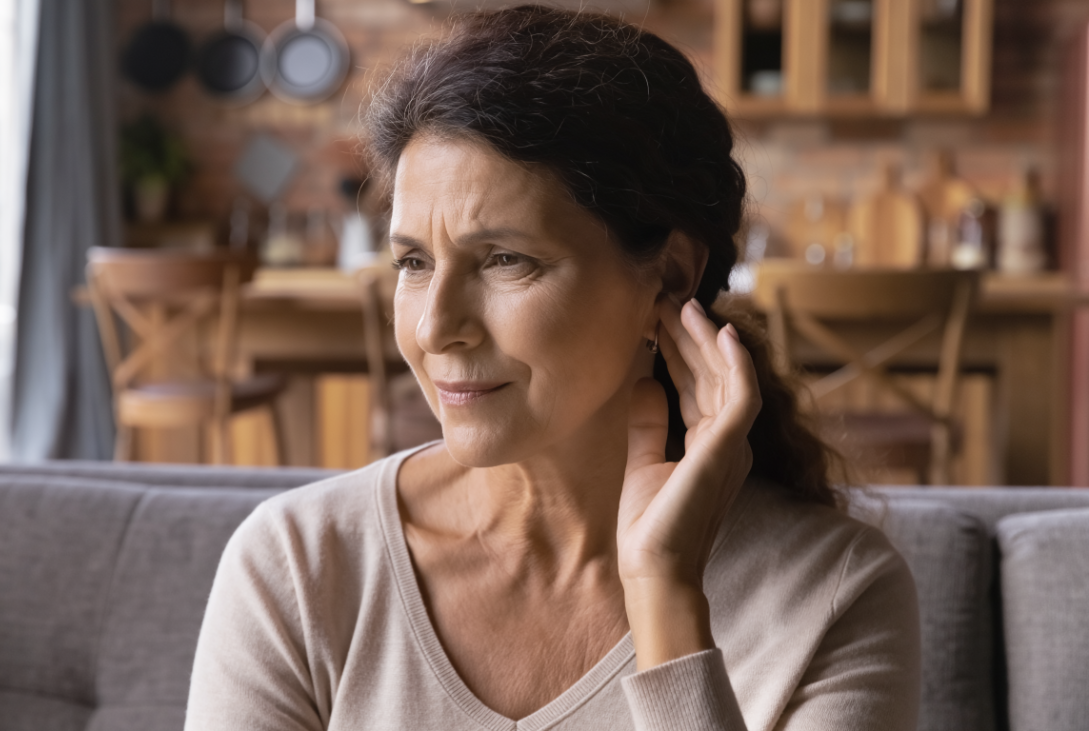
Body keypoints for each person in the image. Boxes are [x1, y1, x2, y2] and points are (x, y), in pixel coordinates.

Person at [185, 7, 920, 730]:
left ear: (666, 278)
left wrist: (665, 596)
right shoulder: (298, 565)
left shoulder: (836, 597)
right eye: (413, 261)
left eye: (506, 259)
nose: (436, 326)